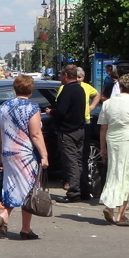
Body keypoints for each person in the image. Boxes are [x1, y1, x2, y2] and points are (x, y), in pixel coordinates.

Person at [0, 74, 50, 240]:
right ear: (30, 90)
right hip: (25, 153)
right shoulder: (32, 108)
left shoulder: (3, 107)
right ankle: (23, 227)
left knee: (12, 186)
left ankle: (7, 216)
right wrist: (44, 155)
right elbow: (36, 134)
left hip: (8, 152)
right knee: (29, 189)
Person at [98, 74, 129, 227]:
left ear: (119, 86)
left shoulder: (108, 104)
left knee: (114, 173)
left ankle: (109, 205)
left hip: (112, 139)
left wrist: (102, 148)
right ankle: (121, 214)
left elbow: (103, 128)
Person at [51, 64, 87, 202]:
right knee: (78, 161)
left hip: (67, 131)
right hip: (79, 129)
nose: (60, 78)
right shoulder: (80, 89)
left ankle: (74, 193)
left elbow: (61, 111)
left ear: (65, 76)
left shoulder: (67, 90)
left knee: (71, 163)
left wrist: (51, 112)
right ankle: (83, 190)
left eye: (61, 75)